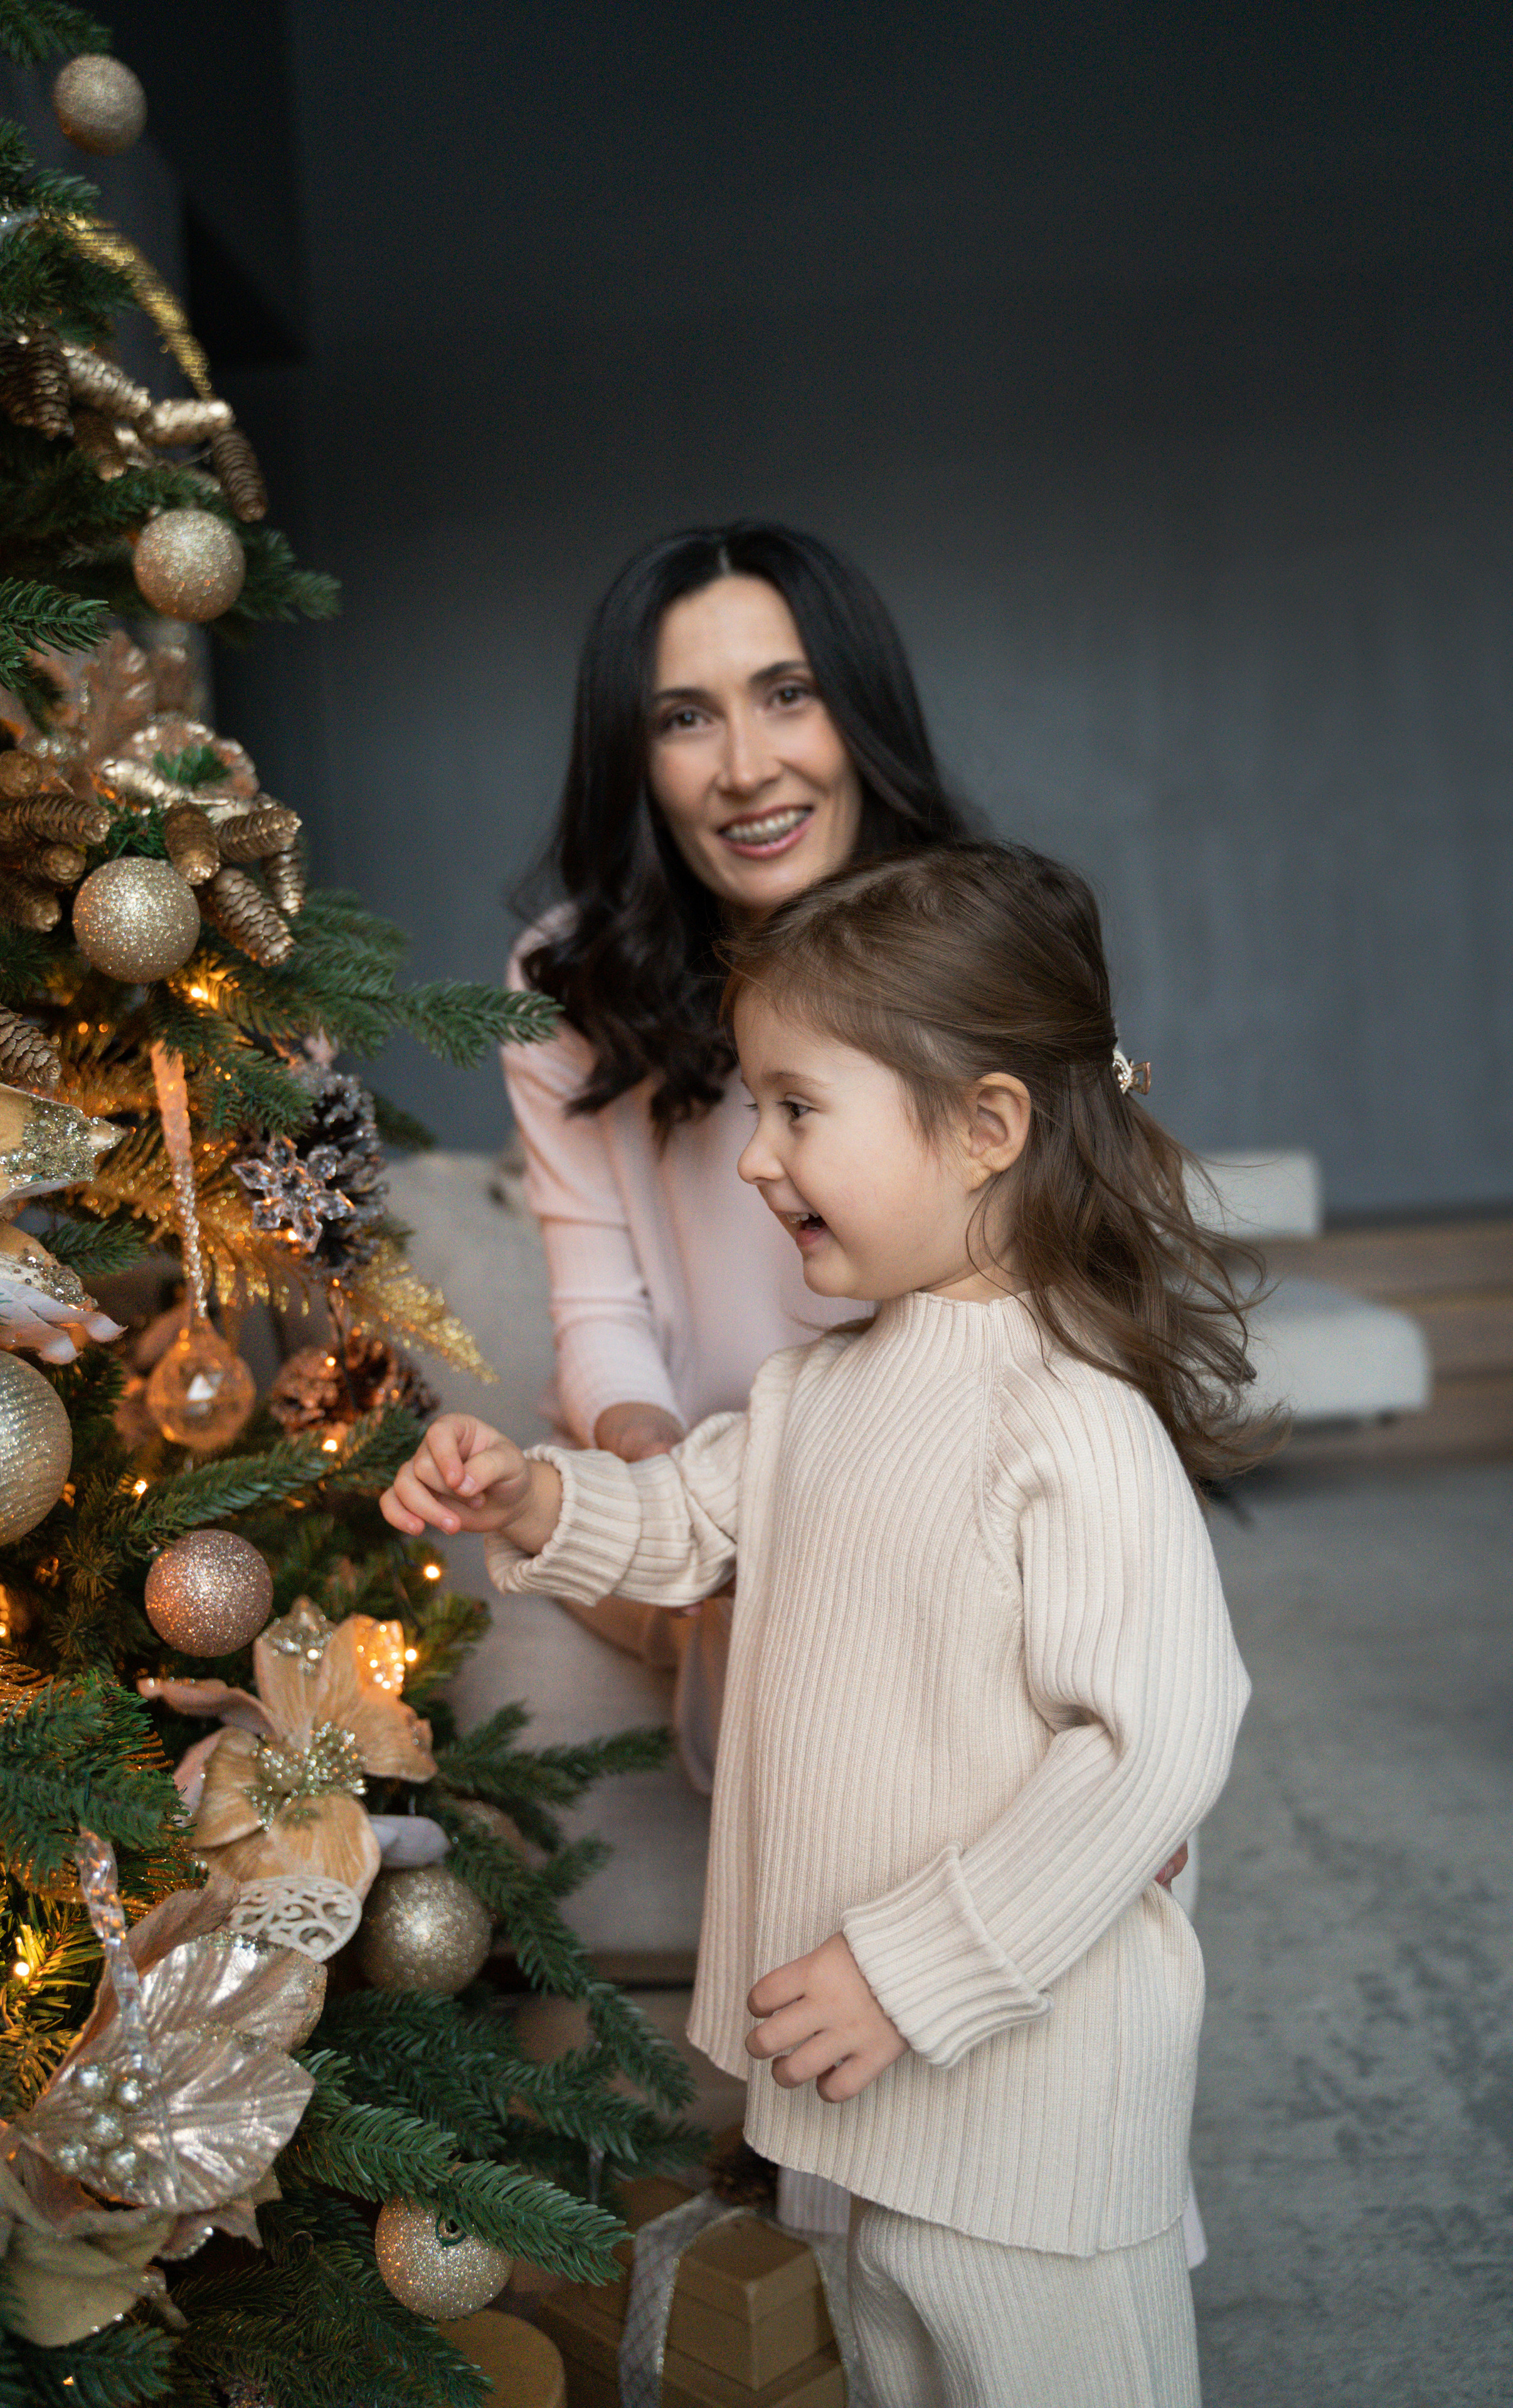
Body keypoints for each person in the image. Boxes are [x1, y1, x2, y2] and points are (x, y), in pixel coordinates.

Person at [386, 841, 1271, 2408]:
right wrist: (531, 1500)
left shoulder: (1072, 1424)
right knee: (892, 2359)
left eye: (798, 1110)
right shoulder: (813, 1393)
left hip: (1023, 2100)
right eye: (752, 1107)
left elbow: (1145, 1753)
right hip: (856, 2092)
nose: (750, 1158)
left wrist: (906, 1973)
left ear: (985, 1127)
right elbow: (682, 1522)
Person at [502, 520, 970, 1787]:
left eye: (786, 696)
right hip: (692, 1494)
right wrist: (663, 1477)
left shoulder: (981, 952)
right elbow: (597, 1309)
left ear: (857, 709)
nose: (746, 768)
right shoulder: (567, 985)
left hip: (944, 1470)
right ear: (636, 758)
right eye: (683, 719)